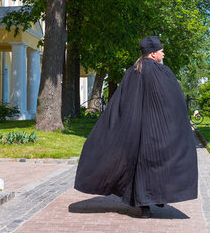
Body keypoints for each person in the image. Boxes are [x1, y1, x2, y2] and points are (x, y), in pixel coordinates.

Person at [74, 36, 198, 218]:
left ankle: (143, 205)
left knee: (137, 165)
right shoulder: (162, 73)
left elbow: (119, 102)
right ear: (154, 53)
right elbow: (173, 102)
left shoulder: (132, 72)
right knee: (155, 164)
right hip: (155, 130)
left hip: (133, 129)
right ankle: (153, 198)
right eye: (161, 50)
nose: (163, 53)